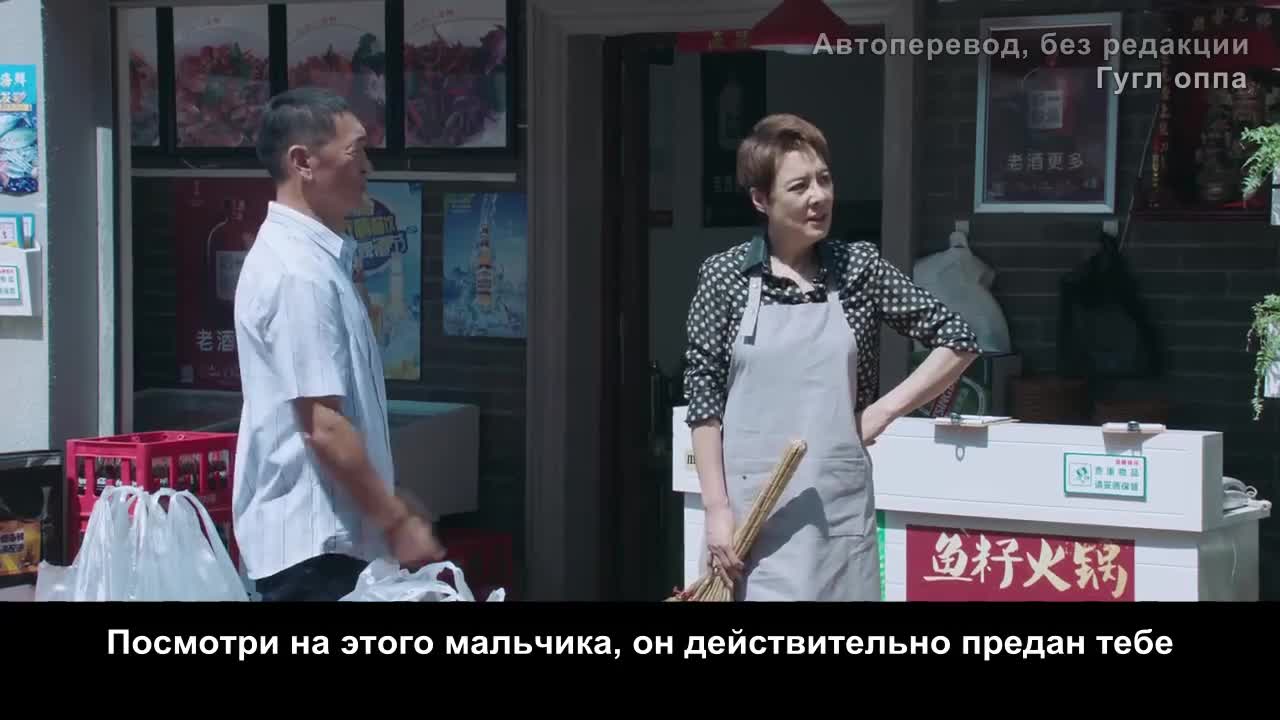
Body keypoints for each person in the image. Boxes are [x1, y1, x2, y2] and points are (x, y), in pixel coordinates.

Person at [682, 114, 980, 601]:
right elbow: (704, 401)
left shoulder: (858, 269)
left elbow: (958, 340)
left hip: (834, 516)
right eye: (799, 186)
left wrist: (882, 412)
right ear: (761, 199)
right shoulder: (725, 277)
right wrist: (717, 509)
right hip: (746, 524)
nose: (819, 196)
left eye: (824, 179)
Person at [232, 87, 444, 601]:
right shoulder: (297, 273)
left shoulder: (315, 262)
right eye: (357, 151)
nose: (368, 166)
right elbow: (323, 424)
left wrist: (390, 497)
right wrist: (395, 521)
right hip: (314, 550)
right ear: (303, 162)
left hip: (328, 544)